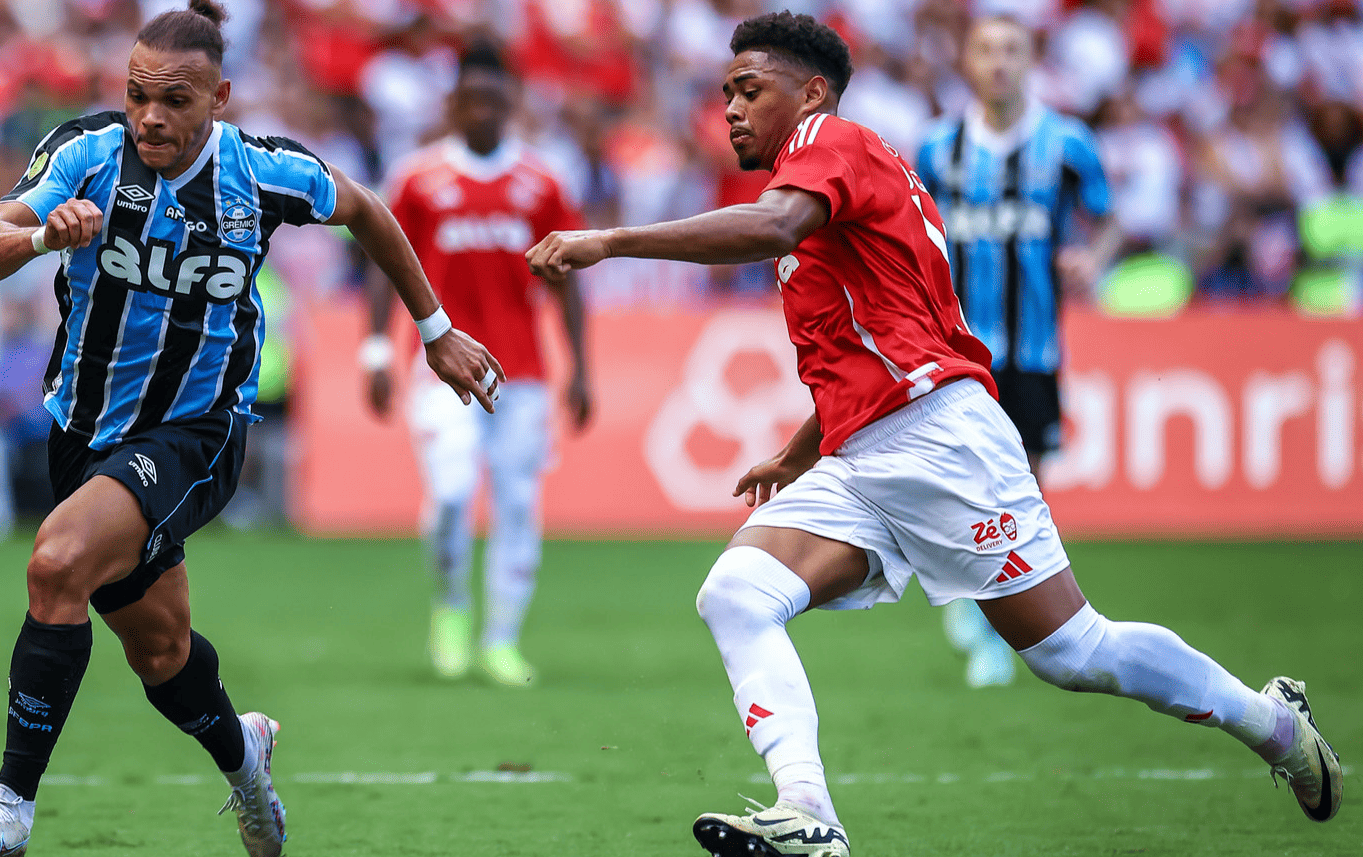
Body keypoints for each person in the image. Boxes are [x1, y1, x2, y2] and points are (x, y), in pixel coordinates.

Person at [527, 12, 1342, 857]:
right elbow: (888, 328)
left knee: (1071, 650)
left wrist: (609, 240)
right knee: (736, 594)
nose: (730, 108)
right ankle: (808, 810)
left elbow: (772, 232)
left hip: (940, 439)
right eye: (726, 91)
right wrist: (799, 451)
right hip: (867, 449)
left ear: (809, 92)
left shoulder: (831, 143)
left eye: (748, 89)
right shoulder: (839, 170)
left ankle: (1274, 724)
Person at [0, 4, 504, 857]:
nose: (151, 117)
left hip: (197, 434)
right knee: (161, 654)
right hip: (82, 432)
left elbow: (368, 211)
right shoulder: (85, 153)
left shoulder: (262, 174)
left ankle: (12, 804)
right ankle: (247, 759)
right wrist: (36, 236)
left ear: (221, 98)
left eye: (174, 99)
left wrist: (434, 332)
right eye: (137, 96)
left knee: (56, 562)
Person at [362, 43, 591, 687]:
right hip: (444, 371)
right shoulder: (418, 177)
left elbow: (570, 283)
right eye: (471, 99)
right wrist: (376, 347)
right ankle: (452, 609)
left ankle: (502, 641)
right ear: (454, 105)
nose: (482, 111)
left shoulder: (542, 184)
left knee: (517, 506)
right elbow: (385, 265)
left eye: (494, 99)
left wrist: (583, 368)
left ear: (510, 105)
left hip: (524, 375)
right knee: (455, 495)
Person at [914, 15, 1121, 689]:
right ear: (968, 63)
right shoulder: (937, 147)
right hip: (957, 349)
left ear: (1030, 61)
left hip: (1033, 349)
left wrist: (1094, 256)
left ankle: (996, 617)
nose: (999, 62)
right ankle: (979, 616)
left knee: (1025, 489)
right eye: (986, 49)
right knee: (963, 482)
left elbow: (1109, 216)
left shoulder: (1067, 142)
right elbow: (912, 231)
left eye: (1011, 50)